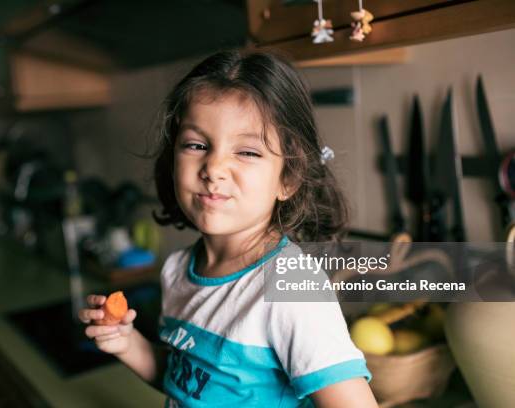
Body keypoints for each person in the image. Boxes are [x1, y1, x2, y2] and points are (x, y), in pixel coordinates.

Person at [79, 50, 378, 407]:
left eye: (248, 152)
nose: (214, 167)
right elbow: (186, 382)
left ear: (289, 178)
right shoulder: (177, 271)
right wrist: (126, 343)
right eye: (196, 145)